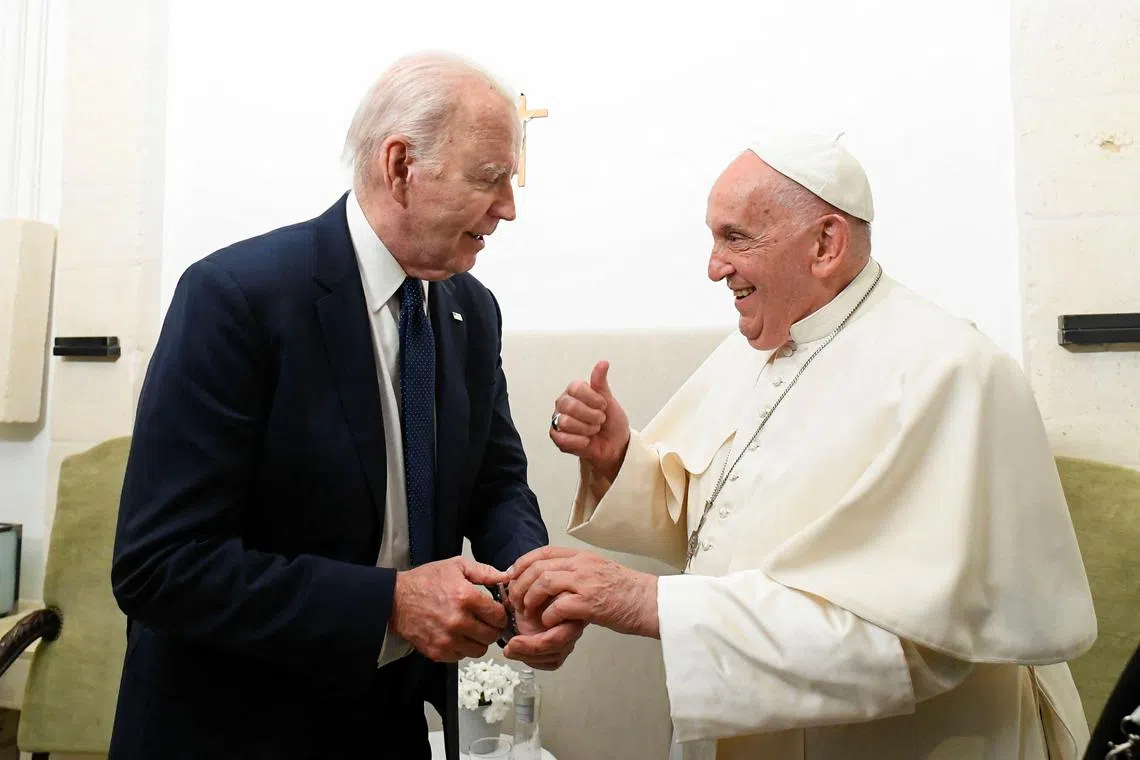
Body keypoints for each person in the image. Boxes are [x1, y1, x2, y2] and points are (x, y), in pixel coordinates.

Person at [504, 133, 1098, 759]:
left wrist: (647, 602)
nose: (713, 266)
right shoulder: (756, 350)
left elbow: (910, 642)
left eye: (735, 238)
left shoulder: (950, 372)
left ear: (825, 243)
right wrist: (616, 457)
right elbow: (718, 525)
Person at [108, 53, 582, 760]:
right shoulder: (236, 299)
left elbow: (494, 482)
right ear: (400, 167)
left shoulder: (470, 311)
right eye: (490, 179)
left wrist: (528, 578)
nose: (509, 207)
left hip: (386, 721)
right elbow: (161, 566)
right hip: (235, 725)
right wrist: (390, 602)